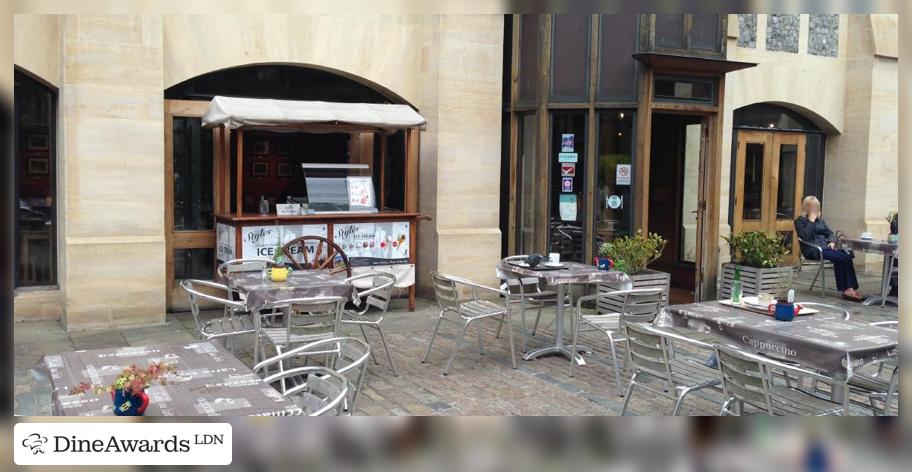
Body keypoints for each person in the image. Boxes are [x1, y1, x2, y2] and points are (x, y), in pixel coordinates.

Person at [794, 196, 864, 301]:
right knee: (840, 257)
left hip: (826, 248)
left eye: (816, 207)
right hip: (813, 249)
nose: (814, 209)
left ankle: (849, 288)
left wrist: (831, 241)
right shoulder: (800, 221)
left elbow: (830, 233)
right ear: (805, 208)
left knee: (847, 254)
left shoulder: (821, 221)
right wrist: (811, 221)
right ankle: (846, 290)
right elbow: (804, 236)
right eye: (811, 207)